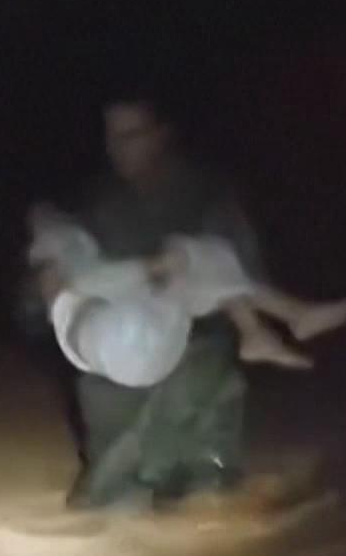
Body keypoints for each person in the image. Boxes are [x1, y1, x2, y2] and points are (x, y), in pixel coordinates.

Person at [54, 91, 300, 510]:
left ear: (161, 135)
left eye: (130, 135)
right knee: (104, 501)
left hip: (198, 344)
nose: (117, 148)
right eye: (110, 136)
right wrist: (45, 285)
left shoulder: (207, 193)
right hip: (122, 351)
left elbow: (244, 275)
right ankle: (122, 482)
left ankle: (204, 474)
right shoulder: (96, 202)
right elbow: (47, 300)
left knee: (205, 490)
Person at [26, 204, 346, 383]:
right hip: (115, 336)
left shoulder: (67, 250)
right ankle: (287, 320)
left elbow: (93, 280)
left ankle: (259, 332)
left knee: (196, 264)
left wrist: (156, 269)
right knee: (186, 255)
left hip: (128, 350)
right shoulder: (59, 250)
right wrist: (154, 266)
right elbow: (86, 280)